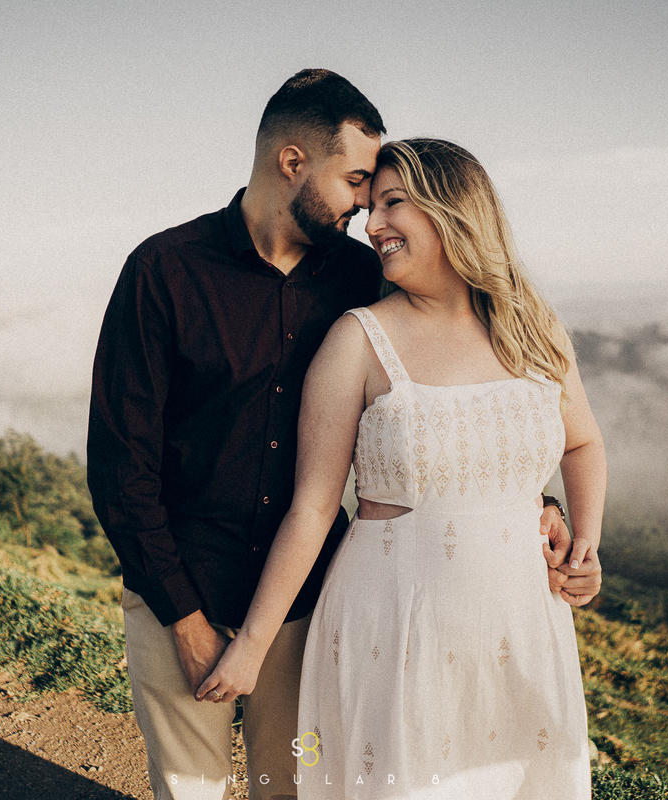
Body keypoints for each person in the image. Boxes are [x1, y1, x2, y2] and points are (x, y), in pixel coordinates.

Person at [89, 68, 591, 800]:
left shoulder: (365, 276)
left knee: (293, 786)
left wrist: (528, 497)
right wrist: (187, 622)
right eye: (357, 180)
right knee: (190, 789)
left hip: (306, 601)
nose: (366, 206)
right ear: (292, 162)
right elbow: (120, 468)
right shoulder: (164, 272)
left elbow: (445, 387)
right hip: (179, 590)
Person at [197, 138, 606, 800]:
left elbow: (582, 444)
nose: (373, 224)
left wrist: (584, 538)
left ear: (455, 211)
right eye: (369, 209)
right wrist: (251, 646)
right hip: (395, 634)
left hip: (523, 630)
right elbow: (313, 508)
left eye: (393, 203)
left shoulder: (535, 329)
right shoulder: (356, 340)